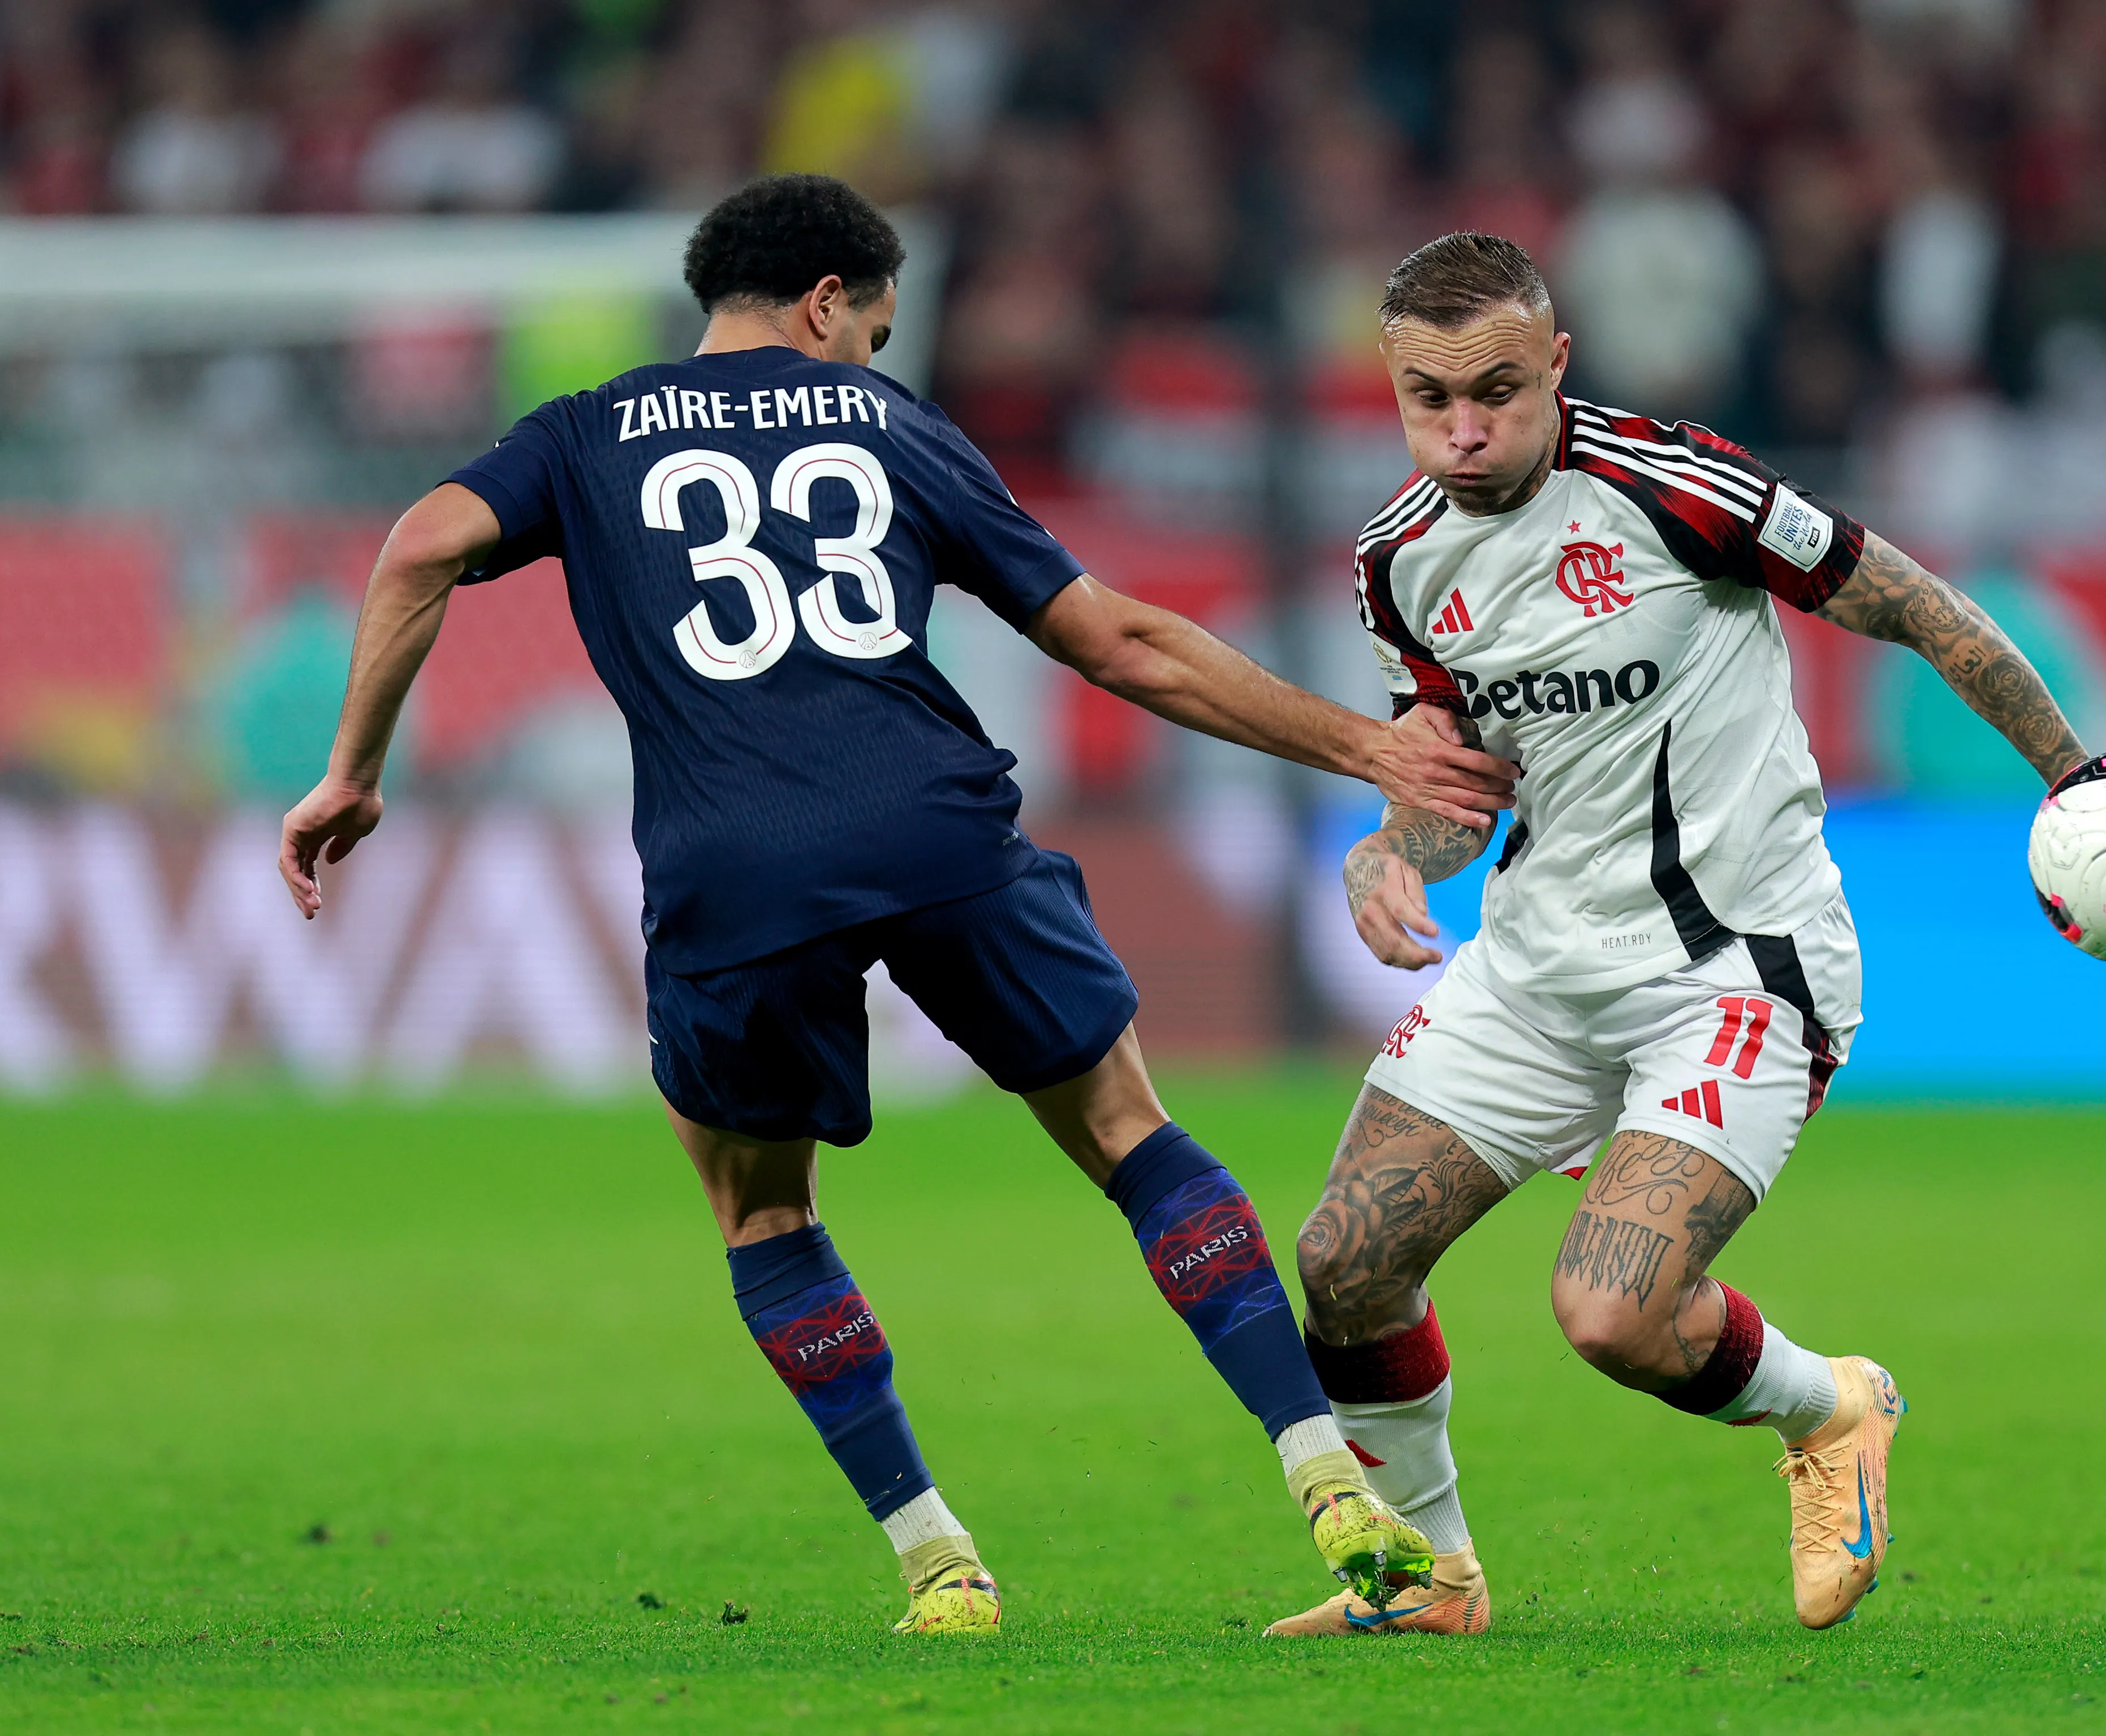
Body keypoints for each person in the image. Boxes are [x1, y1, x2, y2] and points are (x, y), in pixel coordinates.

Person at [277, 175, 1519, 1636]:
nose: (873, 351)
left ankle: (938, 1560)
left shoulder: (583, 430)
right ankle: (1321, 1469)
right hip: (936, 829)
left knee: (761, 1201)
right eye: (873, 326)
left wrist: (354, 772)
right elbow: (1118, 642)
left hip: (733, 863)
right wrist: (1369, 746)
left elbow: (421, 545)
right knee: (1128, 1130)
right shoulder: (890, 424)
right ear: (826, 303)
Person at [1266, 233, 2091, 1638]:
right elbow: (1457, 783)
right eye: (1427, 399)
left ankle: (1831, 1406)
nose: (1463, 432)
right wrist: (1389, 850)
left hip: (1733, 972)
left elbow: (1913, 604)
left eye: (1497, 392)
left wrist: (2075, 775)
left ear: (1557, 366)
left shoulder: (1675, 485)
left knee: (1613, 1314)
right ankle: (1432, 1579)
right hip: (1536, 971)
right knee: (1345, 1259)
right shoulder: (1398, 558)